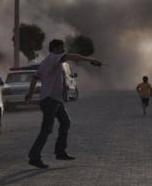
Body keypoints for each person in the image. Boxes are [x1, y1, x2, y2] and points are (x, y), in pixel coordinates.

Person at [25, 39, 102, 169]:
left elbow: (35, 77)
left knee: (65, 122)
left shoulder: (45, 62)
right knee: (46, 130)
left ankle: (60, 151)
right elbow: (72, 56)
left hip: (54, 100)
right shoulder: (55, 57)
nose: (63, 50)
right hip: (50, 100)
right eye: (62, 48)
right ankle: (34, 157)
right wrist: (91, 60)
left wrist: (30, 93)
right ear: (55, 49)